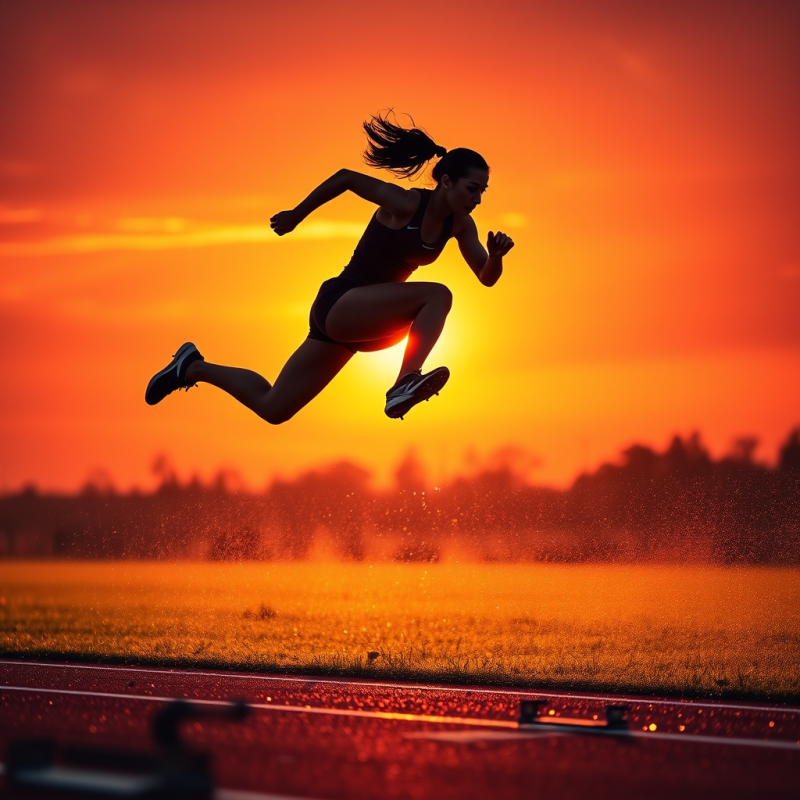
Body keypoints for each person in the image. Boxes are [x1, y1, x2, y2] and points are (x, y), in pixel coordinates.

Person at [145, 112, 514, 421]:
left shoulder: (462, 226)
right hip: (343, 302)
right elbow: (345, 178)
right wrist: (296, 215)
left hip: (355, 327)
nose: (478, 198)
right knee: (438, 295)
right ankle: (405, 382)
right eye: (472, 188)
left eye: (483, 190)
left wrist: (495, 257)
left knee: (274, 407)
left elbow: (486, 278)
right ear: (446, 182)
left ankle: (191, 367)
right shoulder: (404, 203)